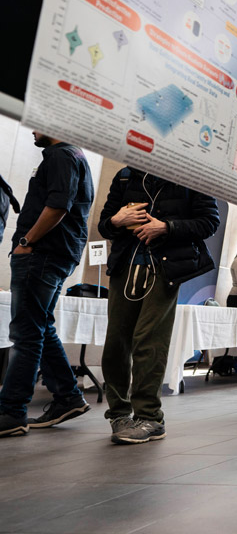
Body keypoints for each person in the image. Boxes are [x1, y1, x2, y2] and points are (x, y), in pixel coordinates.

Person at [98, 168, 220, 444]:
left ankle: (150, 417)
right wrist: (117, 220)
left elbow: (209, 222)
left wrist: (167, 227)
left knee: (149, 341)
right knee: (116, 343)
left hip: (164, 270)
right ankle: (119, 414)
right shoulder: (126, 175)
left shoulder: (195, 176)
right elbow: (104, 224)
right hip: (123, 268)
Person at [0, 132, 94, 438]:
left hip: (41, 254)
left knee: (26, 333)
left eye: (38, 122)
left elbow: (58, 205)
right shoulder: (76, 155)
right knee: (40, 326)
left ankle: (12, 412)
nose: (31, 129)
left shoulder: (60, 156)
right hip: (56, 254)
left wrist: (27, 241)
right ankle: (67, 396)